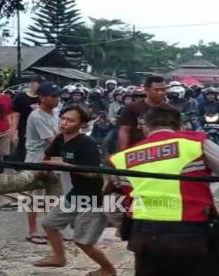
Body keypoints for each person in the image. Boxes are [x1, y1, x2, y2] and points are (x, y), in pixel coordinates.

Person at [108, 106, 219, 275]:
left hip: (144, 235)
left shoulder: (123, 158)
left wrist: (122, 226)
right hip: (191, 232)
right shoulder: (196, 144)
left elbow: (111, 202)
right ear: (180, 125)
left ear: (145, 127)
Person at [33, 104, 116, 276]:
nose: (64, 123)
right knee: (49, 224)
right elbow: (48, 154)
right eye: (63, 118)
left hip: (92, 198)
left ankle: (108, 269)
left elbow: (93, 173)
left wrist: (64, 166)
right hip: (76, 193)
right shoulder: (59, 139)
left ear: (82, 124)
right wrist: (43, 170)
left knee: (83, 242)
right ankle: (59, 257)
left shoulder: (88, 144)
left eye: (70, 120)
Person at [24, 81, 60, 245]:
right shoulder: (37, 116)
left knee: (53, 197)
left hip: (52, 158)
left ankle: (52, 230)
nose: (57, 99)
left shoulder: (55, 112)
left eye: (57, 96)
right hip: (37, 158)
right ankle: (32, 231)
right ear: (42, 98)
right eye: (53, 96)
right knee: (35, 197)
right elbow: (52, 140)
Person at [118, 76, 170, 150]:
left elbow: (178, 131)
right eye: (156, 90)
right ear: (147, 90)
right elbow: (124, 130)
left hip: (163, 151)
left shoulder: (170, 110)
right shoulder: (131, 108)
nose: (160, 93)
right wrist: (123, 152)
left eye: (163, 90)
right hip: (138, 152)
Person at [11, 75, 45, 162]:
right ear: (32, 84)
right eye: (38, 84)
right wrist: (13, 131)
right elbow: (16, 115)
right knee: (23, 150)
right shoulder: (21, 97)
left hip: (41, 130)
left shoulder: (43, 98)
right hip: (24, 129)